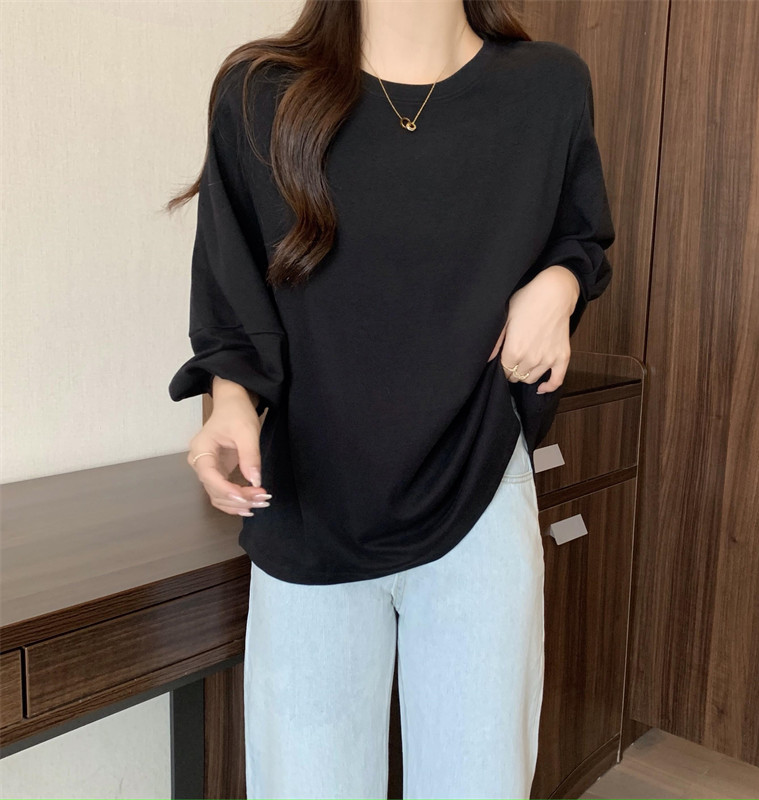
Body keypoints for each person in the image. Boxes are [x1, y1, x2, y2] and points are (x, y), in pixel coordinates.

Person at [166, 1, 614, 797]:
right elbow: (234, 289)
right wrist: (230, 403)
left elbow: (580, 232)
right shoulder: (260, 91)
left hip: (479, 491)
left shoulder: (547, 88)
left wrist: (560, 283)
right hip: (309, 500)